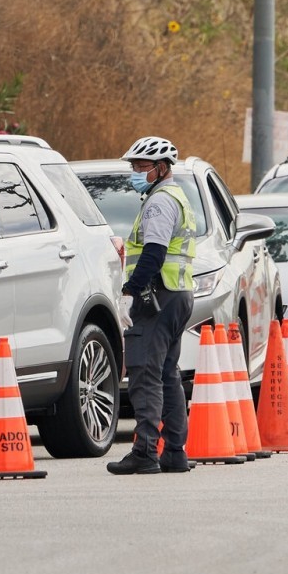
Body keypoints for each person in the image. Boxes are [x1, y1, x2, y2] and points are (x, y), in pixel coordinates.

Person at [106, 136, 199, 475]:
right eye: (133, 166)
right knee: (167, 374)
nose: (135, 172)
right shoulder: (176, 196)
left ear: (161, 168)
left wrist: (130, 290)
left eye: (141, 166)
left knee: (145, 372)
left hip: (156, 296)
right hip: (177, 295)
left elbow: (154, 252)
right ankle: (174, 452)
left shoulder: (159, 202)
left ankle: (145, 452)